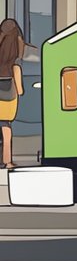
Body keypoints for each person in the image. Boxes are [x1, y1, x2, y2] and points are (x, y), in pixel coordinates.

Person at [0, 19, 24, 170]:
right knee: (6, 134)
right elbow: (20, 90)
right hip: (7, 105)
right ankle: (7, 161)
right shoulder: (15, 68)